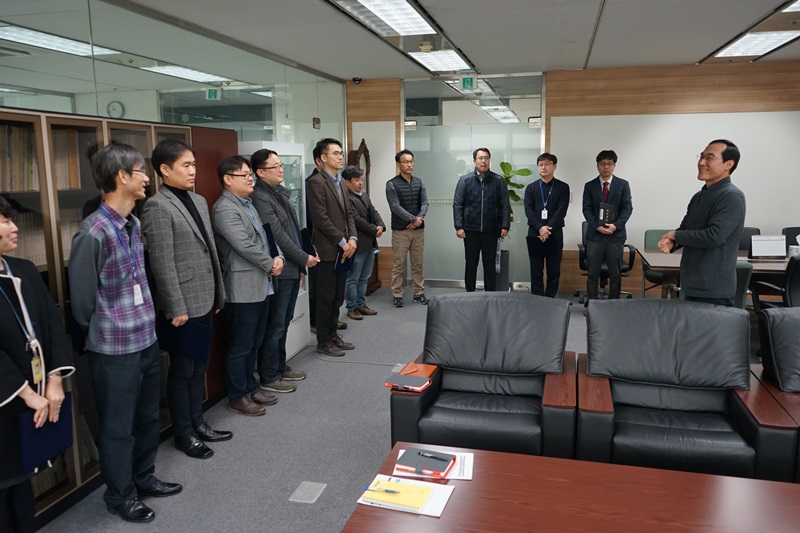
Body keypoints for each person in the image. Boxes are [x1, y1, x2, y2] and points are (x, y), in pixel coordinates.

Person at [69, 142, 181, 524]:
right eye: (141, 171)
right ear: (122, 177)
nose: (147, 177)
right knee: (118, 428)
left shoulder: (133, 224)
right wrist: (108, 331)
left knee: (149, 418)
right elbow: (82, 304)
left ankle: (143, 477)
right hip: (114, 350)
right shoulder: (93, 233)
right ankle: (120, 496)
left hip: (146, 340)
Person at [141, 139, 231, 460]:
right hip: (182, 305)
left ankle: (198, 421)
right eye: (186, 165)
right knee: (182, 370)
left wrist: (219, 292)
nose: (194, 171)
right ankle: (184, 433)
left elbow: (209, 250)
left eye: (194, 164)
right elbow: (161, 262)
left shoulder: (198, 199)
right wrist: (175, 306)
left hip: (205, 297)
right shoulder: (157, 206)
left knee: (198, 368)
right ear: (165, 170)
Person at [0, 196, 75, 533]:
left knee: (23, 488)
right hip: (10, 399)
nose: (14, 227)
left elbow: (52, 322)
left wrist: (55, 378)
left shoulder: (25, 269)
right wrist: (28, 394)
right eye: (4, 220)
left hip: (41, 394)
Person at [211, 156, 282, 415]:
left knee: (254, 342)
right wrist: (270, 264)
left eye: (250, 173)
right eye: (244, 174)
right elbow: (244, 245)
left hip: (260, 283)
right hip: (241, 288)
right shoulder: (224, 208)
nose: (250, 177)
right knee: (240, 345)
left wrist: (278, 257)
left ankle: (250, 388)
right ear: (228, 179)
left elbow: (265, 237)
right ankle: (238, 394)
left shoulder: (248, 203)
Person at [251, 149, 318, 394]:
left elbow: (294, 228)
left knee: (284, 321)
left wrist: (308, 254)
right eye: (275, 166)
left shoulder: (278, 192)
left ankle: (280, 366)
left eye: (281, 165)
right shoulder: (260, 197)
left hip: (292, 265)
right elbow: (277, 235)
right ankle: (269, 375)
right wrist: (303, 258)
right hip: (280, 268)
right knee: (276, 324)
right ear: (260, 172)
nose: (281, 169)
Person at [658, 139, 745, 307]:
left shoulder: (731, 196)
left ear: (728, 164)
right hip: (692, 283)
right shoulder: (699, 196)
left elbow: (714, 236)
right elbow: (685, 229)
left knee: (711, 333)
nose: (701, 162)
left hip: (714, 288)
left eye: (710, 157)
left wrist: (676, 235)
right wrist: (673, 242)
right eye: (701, 156)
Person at [307, 138, 357, 356]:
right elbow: (321, 219)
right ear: (323, 158)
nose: (340, 156)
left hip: (345, 250)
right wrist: (343, 241)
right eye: (335, 153)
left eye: (341, 153)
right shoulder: (317, 183)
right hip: (328, 250)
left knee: (338, 297)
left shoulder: (340, 182)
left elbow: (349, 214)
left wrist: (353, 237)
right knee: (325, 298)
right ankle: (323, 341)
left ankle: (333, 335)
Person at [453, 148, 510, 292]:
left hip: (491, 231)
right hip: (470, 230)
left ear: (490, 160)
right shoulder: (465, 180)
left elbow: (504, 205)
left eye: (486, 158)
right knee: (471, 264)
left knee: (489, 266)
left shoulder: (498, 180)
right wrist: (459, 226)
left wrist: (505, 225)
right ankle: (469, 294)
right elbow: (458, 204)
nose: (483, 161)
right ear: (474, 161)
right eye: (480, 158)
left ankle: (490, 295)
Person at [582, 150, 633, 301]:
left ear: (614, 165)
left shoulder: (623, 185)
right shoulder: (590, 186)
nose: (606, 167)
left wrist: (615, 226)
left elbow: (627, 208)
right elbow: (586, 209)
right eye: (602, 164)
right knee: (592, 274)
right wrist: (597, 226)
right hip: (595, 237)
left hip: (615, 236)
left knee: (615, 274)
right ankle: (591, 304)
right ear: (597, 166)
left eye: (609, 164)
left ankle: (613, 305)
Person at [386, 149, 429, 307]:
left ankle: (419, 292)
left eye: (411, 161)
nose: (410, 164)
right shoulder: (391, 184)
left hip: (418, 231)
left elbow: (425, 203)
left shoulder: (419, 182)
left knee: (418, 264)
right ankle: (397, 294)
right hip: (401, 231)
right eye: (406, 161)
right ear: (398, 164)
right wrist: (413, 219)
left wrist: (418, 219)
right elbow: (395, 206)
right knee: (399, 264)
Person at [524, 153, 570, 297]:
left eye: (547, 164)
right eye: (541, 164)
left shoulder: (563, 187)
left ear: (554, 166)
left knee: (553, 269)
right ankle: (537, 297)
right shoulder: (531, 188)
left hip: (554, 233)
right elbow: (529, 211)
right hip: (535, 232)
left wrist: (547, 229)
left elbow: (561, 211)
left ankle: (550, 297)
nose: (544, 167)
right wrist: (540, 228)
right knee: (536, 269)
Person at [343, 165, 385, 320]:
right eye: (356, 180)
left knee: (364, 277)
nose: (360, 182)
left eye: (361, 179)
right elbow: (356, 220)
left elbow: (374, 212)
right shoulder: (347, 198)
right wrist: (375, 229)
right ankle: (352, 307)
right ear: (347, 182)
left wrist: (380, 226)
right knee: (353, 278)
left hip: (370, 243)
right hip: (357, 245)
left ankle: (361, 304)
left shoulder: (364, 195)